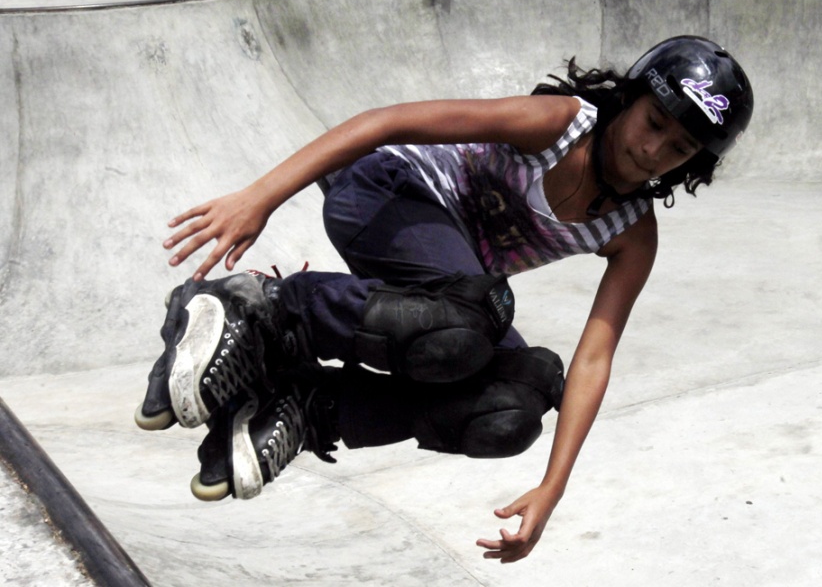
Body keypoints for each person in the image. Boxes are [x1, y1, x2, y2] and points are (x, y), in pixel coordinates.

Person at [135, 35, 753, 563]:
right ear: (631, 99)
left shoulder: (632, 233)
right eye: (654, 124)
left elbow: (593, 358)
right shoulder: (559, 126)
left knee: (518, 401)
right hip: (381, 190)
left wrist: (553, 487)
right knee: (469, 320)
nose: (651, 151)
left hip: (447, 289)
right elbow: (389, 122)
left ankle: (312, 404)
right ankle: (266, 307)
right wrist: (262, 195)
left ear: (692, 165)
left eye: (677, 149)